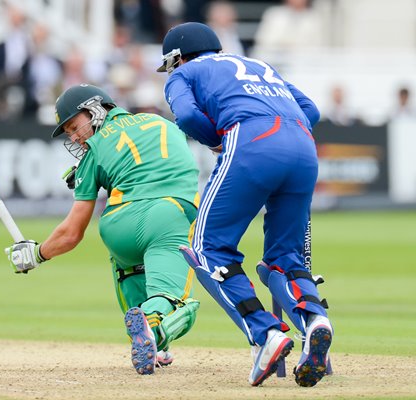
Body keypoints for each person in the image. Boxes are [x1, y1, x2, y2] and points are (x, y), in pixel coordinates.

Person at [157, 22, 332, 387]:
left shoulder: (184, 73)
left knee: (207, 248)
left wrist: (218, 141)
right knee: (285, 259)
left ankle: (264, 333)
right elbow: (310, 110)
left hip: (251, 141)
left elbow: (187, 117)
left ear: (177, 57)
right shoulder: (259, 65)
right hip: (302, 146)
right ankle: (314, 318)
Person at [5, 83, 201, 375]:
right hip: (168, 215)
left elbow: (72, 233)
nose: (74, 137)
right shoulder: (163, 123)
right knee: (178, 302)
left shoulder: (93, 152)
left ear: (96, 109)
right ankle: (155, 330)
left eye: (74, 126)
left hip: (117, 225)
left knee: (129, 268)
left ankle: (149, 340)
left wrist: (35, 254)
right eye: (69, 132)